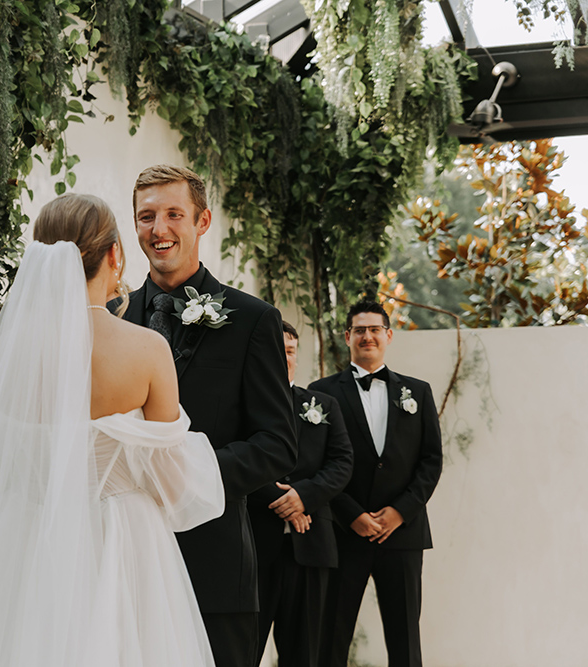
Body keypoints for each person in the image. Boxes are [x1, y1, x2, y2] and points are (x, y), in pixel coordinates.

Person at [0, 193, 225, 667]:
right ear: (113, 255)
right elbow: (174, 482)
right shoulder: (147, 350)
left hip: (26, 541)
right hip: (122, 543)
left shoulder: (11, 358)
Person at [116, 164, 297, 667]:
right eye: (146, 216)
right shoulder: (111, 317)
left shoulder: (253, 320)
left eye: (174, 214)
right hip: (123, 566)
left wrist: (188, 473)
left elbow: (279, 444)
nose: (159, 229)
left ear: (202, 221)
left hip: (213, 569)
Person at [309, 300, 442, 667]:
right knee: (330, 636)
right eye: (360, 330)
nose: (368, 336)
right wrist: (351, 514)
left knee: (405, 640)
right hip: (343, 532)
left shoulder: (418, 392)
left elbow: (431, 462)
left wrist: (399, 513)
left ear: (388, 335)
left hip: (403, 534)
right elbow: (315, 463)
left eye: (375, 329)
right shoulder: (320, 393)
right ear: (348, 337)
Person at [248, 320, 353, 667]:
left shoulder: (324, 405)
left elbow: (342, 462)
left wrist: (303, 497)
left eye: (290, 351)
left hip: (311, 546)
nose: (284, 358)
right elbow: (236, 457)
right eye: (277, 351)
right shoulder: (244, 404)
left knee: (305, 653)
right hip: (255, 546)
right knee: (244, 649)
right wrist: (283, 503)